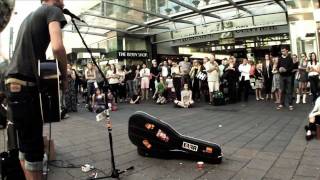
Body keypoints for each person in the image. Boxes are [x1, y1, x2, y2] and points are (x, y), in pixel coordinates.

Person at [4, 0, 67, 179]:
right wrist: (64, 76)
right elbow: (57, 47)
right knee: (34, 150)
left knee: (25, 146)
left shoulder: (30, 17)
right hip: (26, 87)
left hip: (13, 84)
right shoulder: (52, 10)